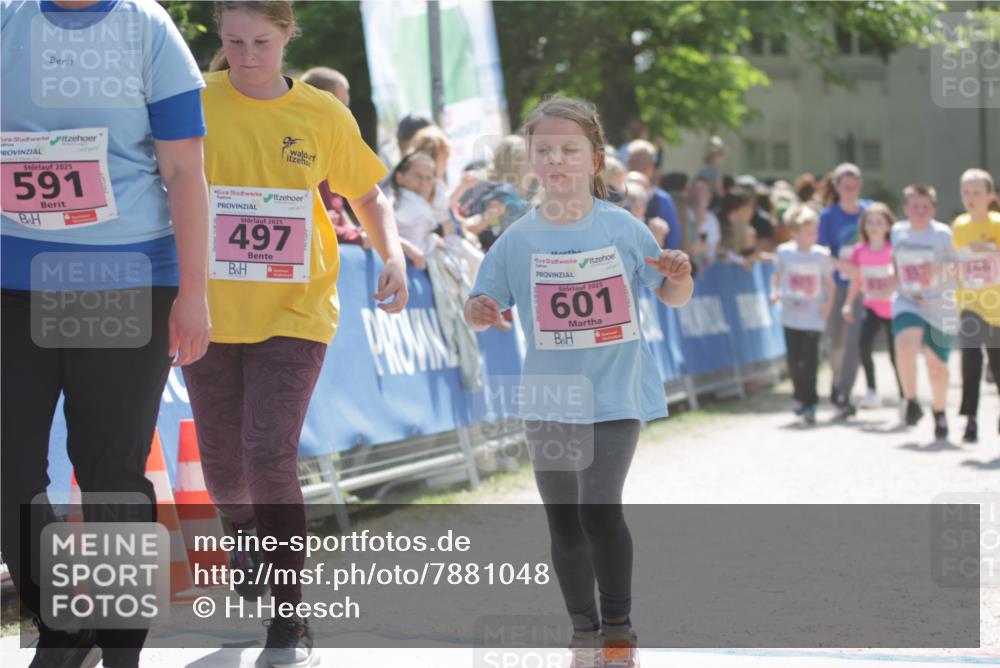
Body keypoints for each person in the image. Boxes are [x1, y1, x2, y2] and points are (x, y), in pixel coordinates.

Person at [186, 3, 408, 666]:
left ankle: (290, 615)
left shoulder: (320, 112)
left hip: (296, 310)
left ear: (287, 35)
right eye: (233, 42)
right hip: (208, 312)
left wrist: (391, 253)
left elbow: (367, 195)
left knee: (268, 453)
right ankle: (244, 530)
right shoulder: (192, 101)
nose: (247, 55)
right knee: (225, 472)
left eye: (260, 41)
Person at [1, 1, 211, 666]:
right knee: (8, 470)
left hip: (124, 279)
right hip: (13, 282)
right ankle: (61, 627)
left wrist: (195, 295)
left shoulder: (147, 29)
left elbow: (184, 172)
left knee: (110, 470)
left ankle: (121, 646)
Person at [464, 95, 693, 668]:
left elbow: (670, 295)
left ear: (594, 159)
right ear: (531, 162)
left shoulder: (622, 227)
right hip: (551, 397)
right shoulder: (518, 238)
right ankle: (582, 629)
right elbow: (480, 301)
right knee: (564, 521)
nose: (557, 161)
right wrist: (483, 310)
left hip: (615, 392)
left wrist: (678, 275)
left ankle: (619, 627)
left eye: (570, 150)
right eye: (545, 151)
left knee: (599, 508)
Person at [891, 183, 958, 440]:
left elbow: (957, 268)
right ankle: (911, 400)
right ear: (906, 208)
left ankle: (939, 412)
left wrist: (935, 271)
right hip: (909, 301)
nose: (920, 211)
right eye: (915, 206)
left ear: (934, 209)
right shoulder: (898, 232)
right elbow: (894, 265)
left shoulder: (943, 235)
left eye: (926, 207)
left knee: (936, 365)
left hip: (940, 304)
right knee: (906, 344)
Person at [770, 205, 835, 424]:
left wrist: (828, 304)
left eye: (815, 231)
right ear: (795, 232)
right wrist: (774, 293)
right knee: (794, 361)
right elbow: (777, 276)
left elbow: (829, 283)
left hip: (813, 316)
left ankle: (810, 403)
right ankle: (798, 395)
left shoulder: (821, 255)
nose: (813, 236)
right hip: (791, 315)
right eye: (808, 232)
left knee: (810, 361)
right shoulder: (785, 252)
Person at [818, 163, 871, 415]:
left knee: (854, 340)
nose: (850, 191)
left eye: (854, 186)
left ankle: (845, 393)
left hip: (864, 287)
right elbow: (820, 252)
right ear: (837, 187)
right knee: (835, 339)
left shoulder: (870, 211)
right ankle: (837, 379)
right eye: (845, 186)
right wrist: (841, 264)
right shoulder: (827, 216)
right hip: (837, 284)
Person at [951, 168, 1000, 442]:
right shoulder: (959, 225)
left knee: (997, 364)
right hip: (970, 302)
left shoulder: (997, 223)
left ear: (989, 195)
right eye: (966, 192)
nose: (970, 198)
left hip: (997, 306)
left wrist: (990, 251)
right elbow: (959, 261)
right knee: (970, 357)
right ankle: (970, 419)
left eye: (976, 192)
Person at [839, 203, 904, 410]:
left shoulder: (893, 250)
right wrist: (848, 304)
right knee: (864, 344)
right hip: (871, 307)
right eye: (870, 222)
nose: (874, 226)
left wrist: (889, 290)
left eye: (879, 222)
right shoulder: (859, 251)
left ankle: (905, 395)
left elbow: (901, 277)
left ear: (888, 226)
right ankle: (871, 390)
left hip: (893, 309)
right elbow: (856, 279)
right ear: (863, 226)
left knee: (896, 355)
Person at [300, 67, 372, 249]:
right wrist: (356, 236)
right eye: (342, 105)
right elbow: (307, 220)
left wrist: (353, 230)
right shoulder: (297, 143)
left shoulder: (332, 142)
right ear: (323, 101)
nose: (346, 113)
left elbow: (342, 207)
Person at [626, 139, 681, 250]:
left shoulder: (612, 193)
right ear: (651, 167)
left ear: (627, 163)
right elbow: (673, 241)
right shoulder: (662, 199)